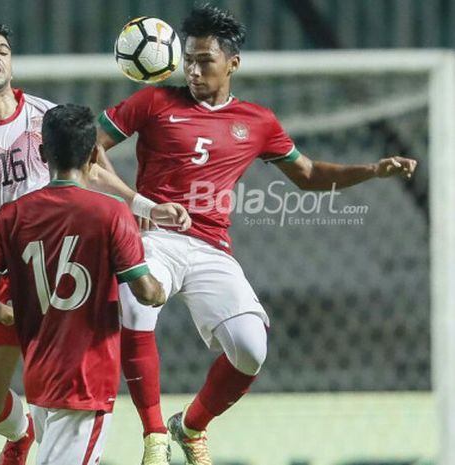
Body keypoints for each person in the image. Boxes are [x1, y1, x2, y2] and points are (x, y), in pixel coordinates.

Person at [92, 5, 419, 465]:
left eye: (205, 59)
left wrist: (371, 170)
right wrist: (137, 205)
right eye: (188, 58)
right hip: (154, 237)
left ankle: (189, 427)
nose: (193, 68)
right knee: (137, 297)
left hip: (210, 246)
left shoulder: (257, 121)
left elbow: (307, 175)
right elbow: (90, 146)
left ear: (233, 64)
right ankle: (153, 436)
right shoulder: (153, 103)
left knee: (250, 349)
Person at [0, 20, 189, 465]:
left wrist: (142, 206)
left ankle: (120, 438)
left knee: (70, 396)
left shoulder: (46, 114)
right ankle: (22, 437)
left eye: (2, 48)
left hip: (60, 265)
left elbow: (90, 167)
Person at [0, 104, 167, 465]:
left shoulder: (12, 216)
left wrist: (10, 315)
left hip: (40, 377)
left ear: (42, 155)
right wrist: (162, 286)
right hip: (87, 382)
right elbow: (147, 293)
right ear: (93, 155)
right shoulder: (110, 212)